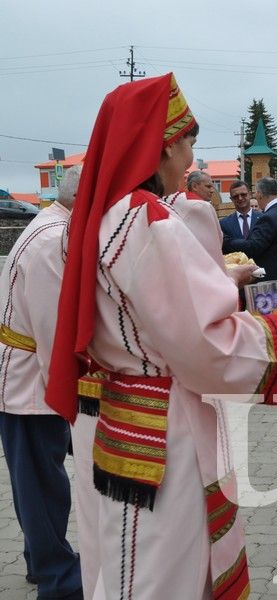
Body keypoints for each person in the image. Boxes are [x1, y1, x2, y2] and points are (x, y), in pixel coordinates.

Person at [44, 73, 277, 599]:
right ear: (165, 144)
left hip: (120, 413)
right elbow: (203, 345)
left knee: (125, 559)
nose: (192, 158)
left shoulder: (94, 218)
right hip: (163, 425)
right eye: (190, 142)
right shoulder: (145, 220)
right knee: (157, 573)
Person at [0, 166, 84, 600]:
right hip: (30, 381)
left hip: (28, 374)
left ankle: (41, 562)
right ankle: (58, 578)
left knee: (35, 482)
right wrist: (68, 395)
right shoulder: (54, 239)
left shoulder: (52, 227)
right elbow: (54, 332)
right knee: (42, 486)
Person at [224, 177, 277, 283]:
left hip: (274, 286)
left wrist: (226, 241)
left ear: (260, 194)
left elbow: (253, 247)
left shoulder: (268, 217)